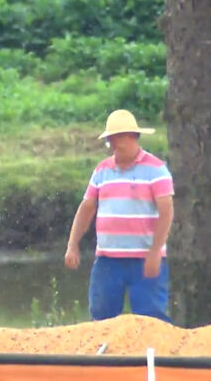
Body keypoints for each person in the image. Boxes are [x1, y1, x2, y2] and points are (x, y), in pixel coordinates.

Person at [64, 109, 174, 322]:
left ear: (133, 137)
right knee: (101, 315)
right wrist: (72, 244)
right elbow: (87, 207)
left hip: (143, 258)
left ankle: (152, 355)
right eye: (112, 139)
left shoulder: (156, 170)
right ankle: (105, 354)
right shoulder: (102, 170)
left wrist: (155, 251)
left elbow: (166, 211)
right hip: (108, 260)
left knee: (150, 317)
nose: (116, 144)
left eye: (120, 137)